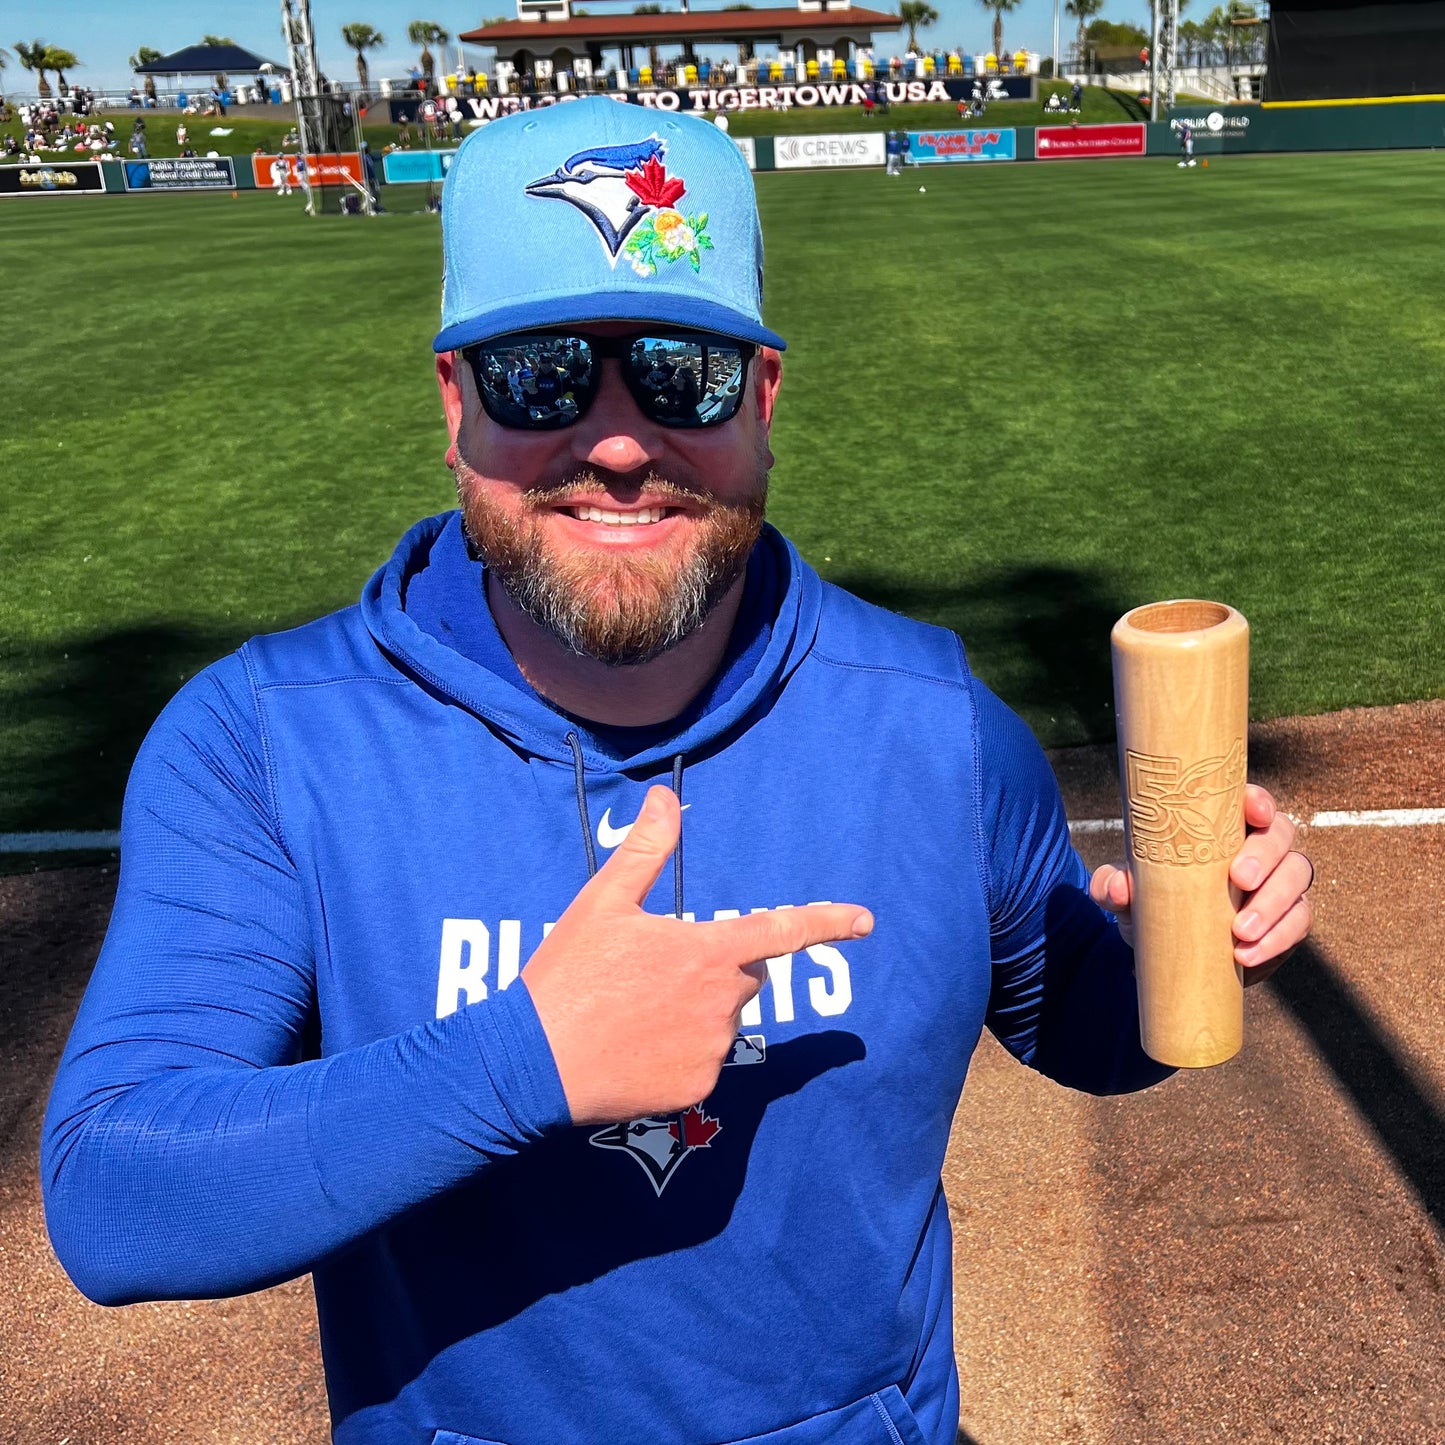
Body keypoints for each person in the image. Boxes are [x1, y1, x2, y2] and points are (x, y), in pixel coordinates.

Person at [41, 99, 1313, 1445]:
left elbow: (1078, 1028)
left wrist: (1182, 948)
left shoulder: (931, 720)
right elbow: (118, 1194)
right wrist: (522, 1057)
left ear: (762, 399)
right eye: (539, 373)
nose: (618, 442)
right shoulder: (266, 739)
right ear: (453, 404)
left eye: (677, 372)